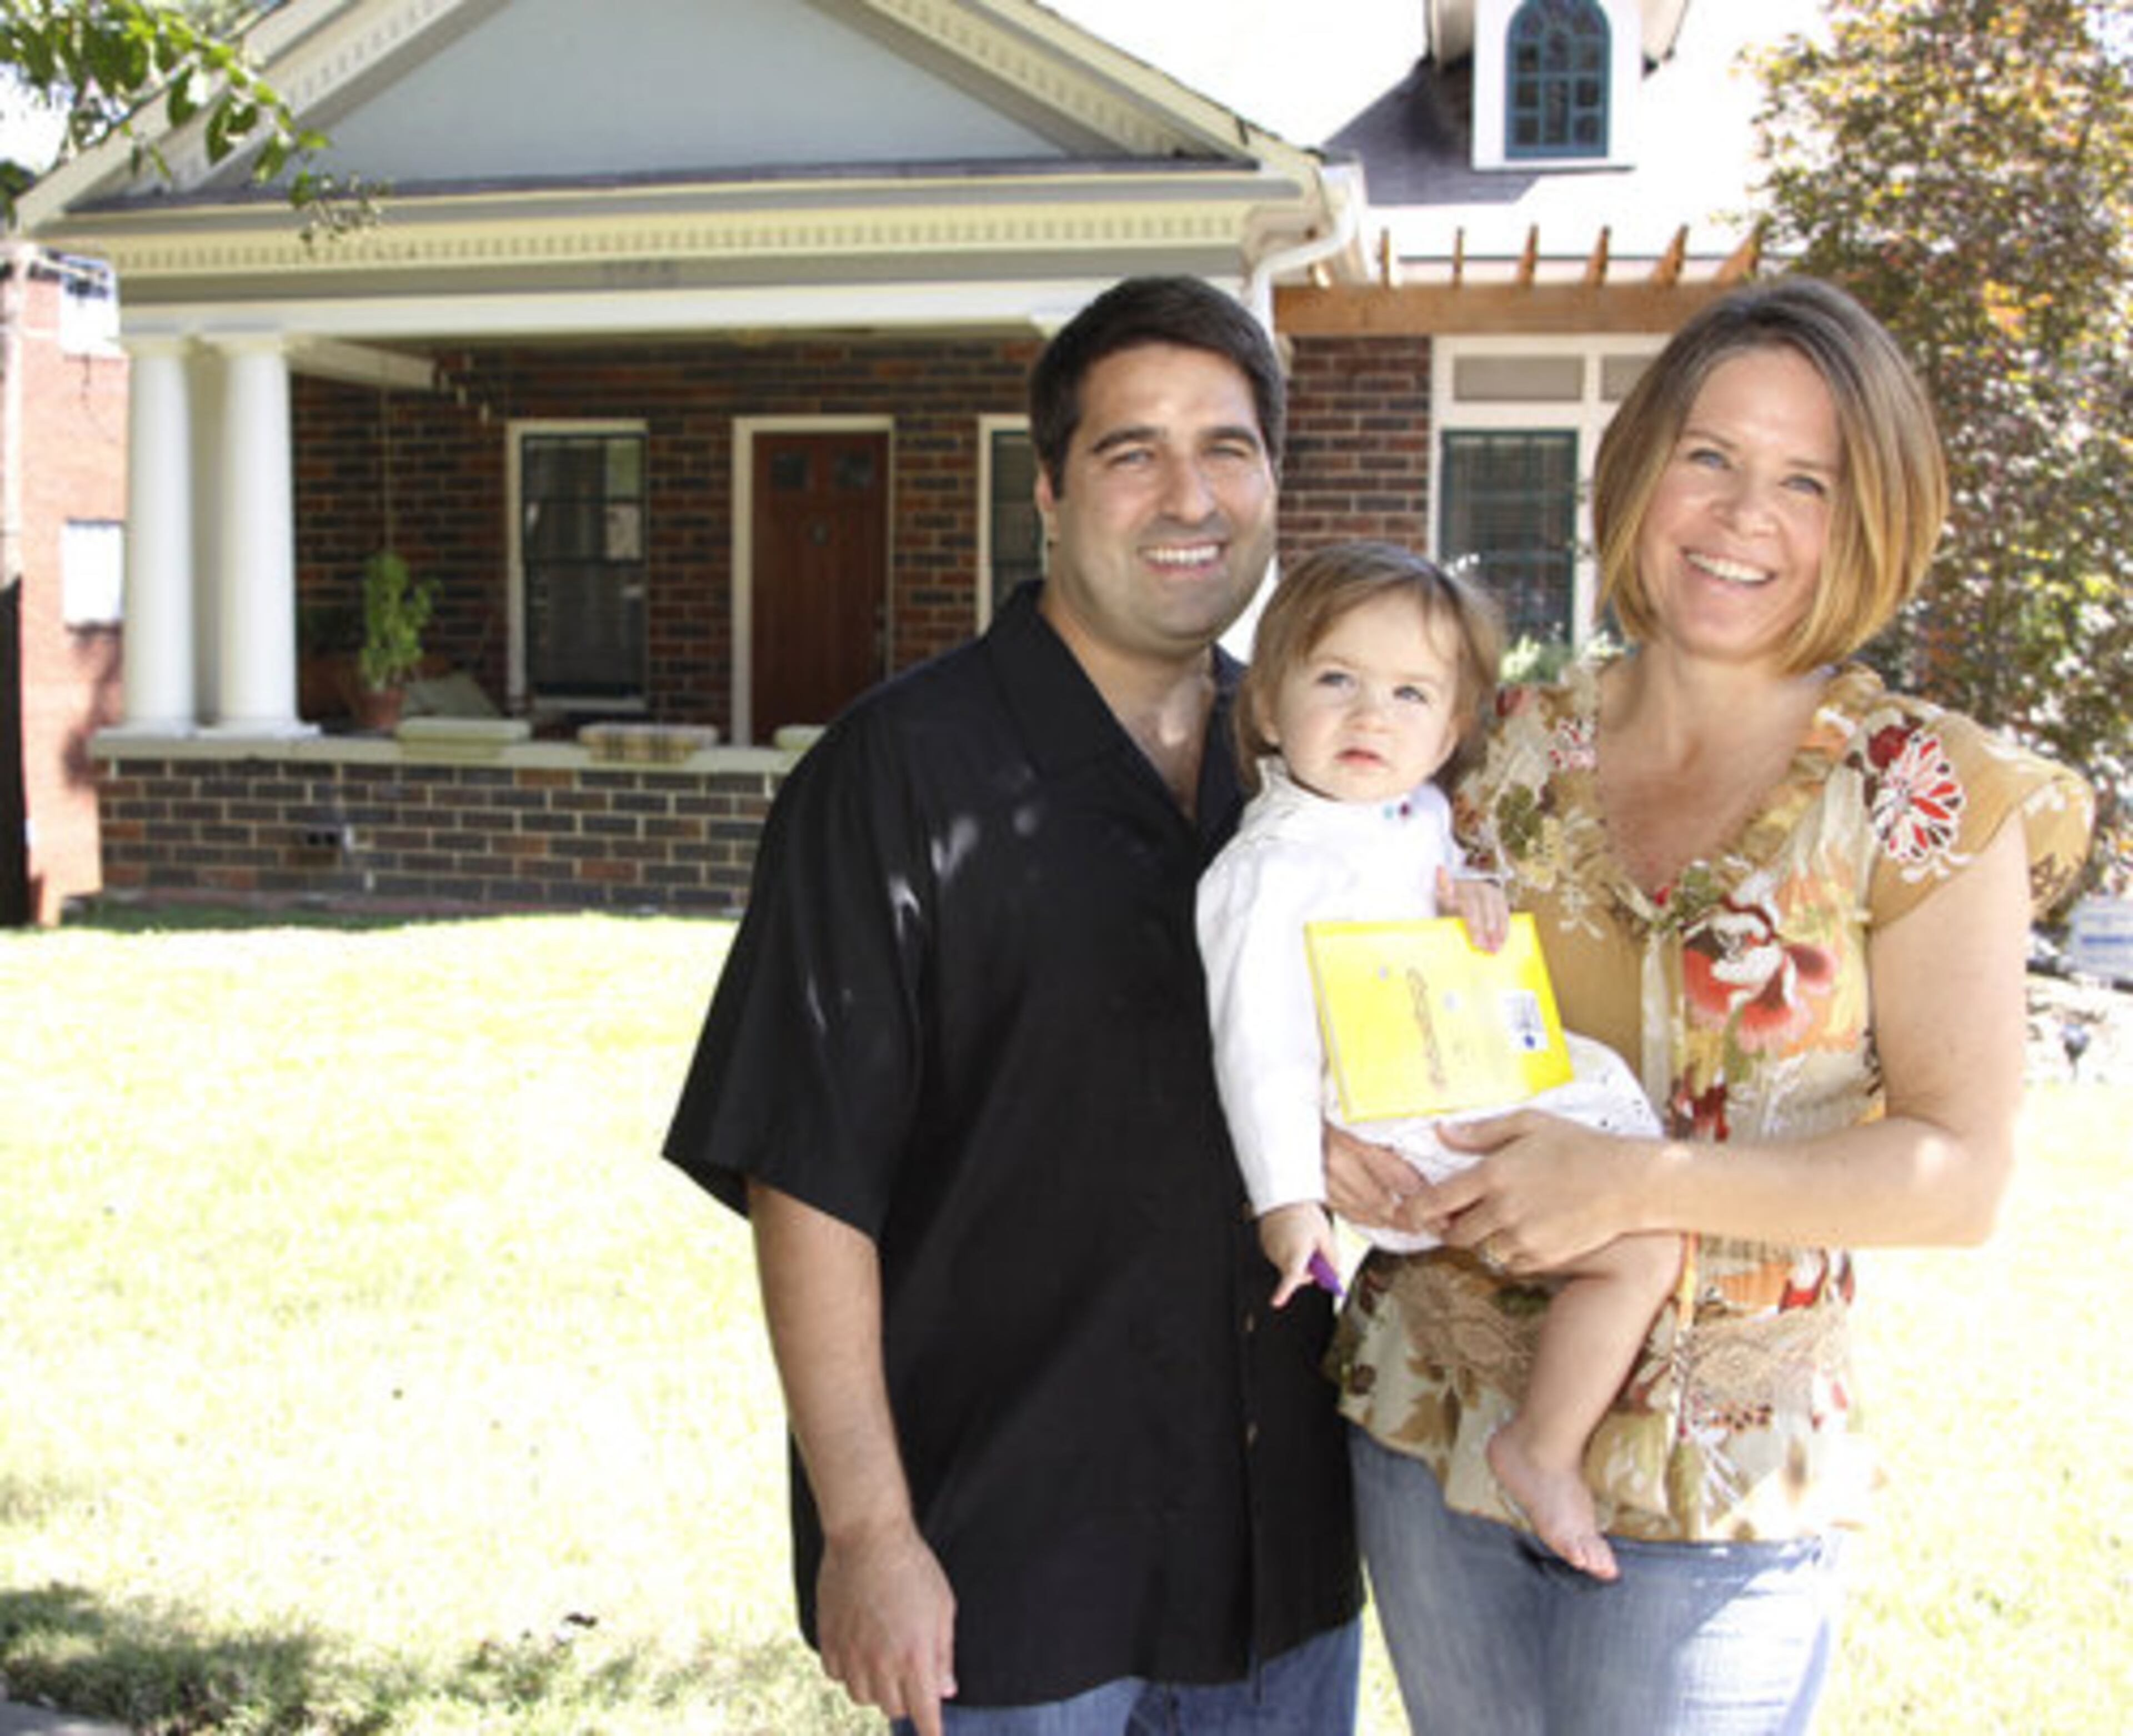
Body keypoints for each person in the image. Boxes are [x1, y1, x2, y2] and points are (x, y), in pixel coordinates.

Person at [1325, 276, 2096, 1734]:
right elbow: (1342, 966)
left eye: (1808, 480)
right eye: (1711, 456)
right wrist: (1328, 1138)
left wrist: (1641, 1182)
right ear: (1639, 470)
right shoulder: (1496, 745)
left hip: (1724, 1482)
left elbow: (1960, 1175)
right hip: (1435, 1421)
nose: (1746, 516)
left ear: (1871, 519)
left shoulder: (1923, 789)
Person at [663, 275, 1362, 1736]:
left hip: (1281, 1569)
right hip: (1010, 1574)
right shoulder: (895, 778)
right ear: (1048, 489)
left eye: (1228, 450)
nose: (1189, 497)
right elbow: (808, 1174)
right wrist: (868, 1530)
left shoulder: (1319, 775)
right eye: (1132, 451)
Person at [1196, 540, 1679, 1579]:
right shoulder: (1268, 870)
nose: (1372, 716)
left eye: (1410, 693)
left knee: (1645, 1213)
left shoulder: (1410, 814)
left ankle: (1543, 1432)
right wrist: (1289, 1202)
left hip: (1463, 1067)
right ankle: (1543, 1448)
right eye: (1337, 680)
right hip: (1404, 1127)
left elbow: (1431, 874)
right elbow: (1259, 1051)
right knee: (1643, 1246)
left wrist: (1469, 889)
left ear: (1452, 729)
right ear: (1268, 706)